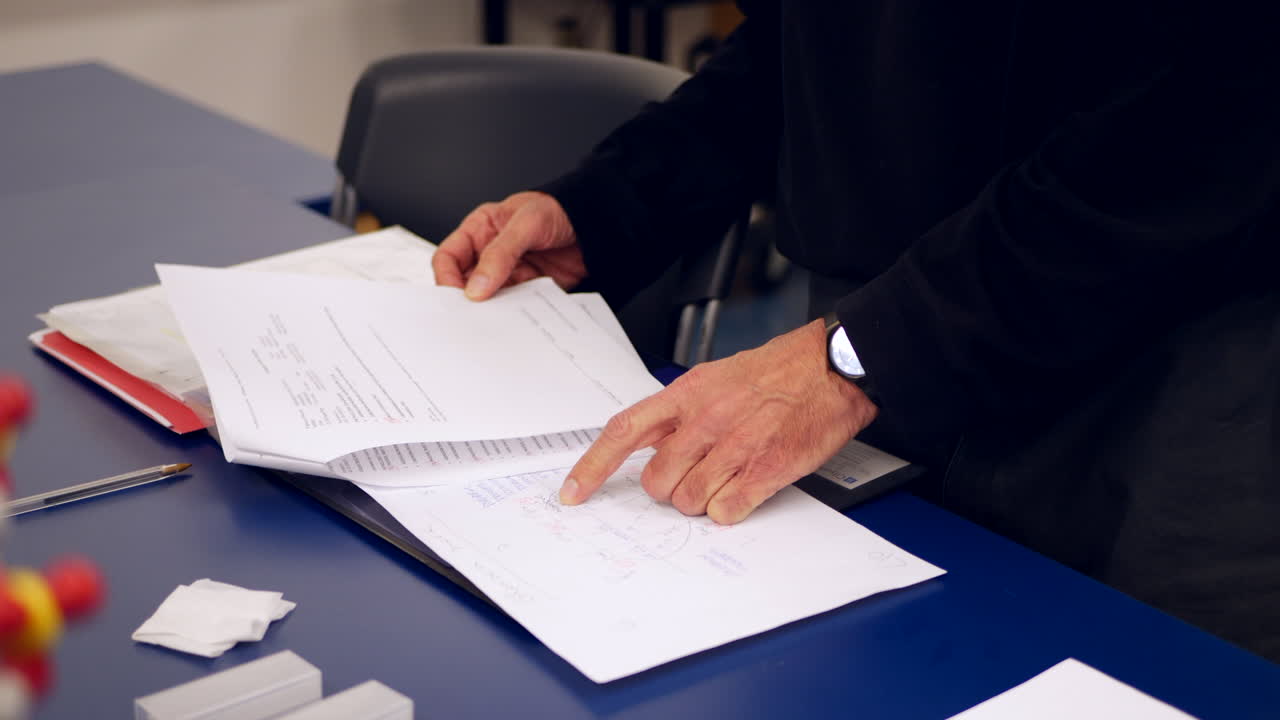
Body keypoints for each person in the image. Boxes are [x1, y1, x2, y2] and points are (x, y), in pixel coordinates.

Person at [433, 2, 1279, 661]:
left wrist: (864, 354)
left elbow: (1210, 110)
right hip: (874, 341)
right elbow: (797, 50)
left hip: (1159, 364)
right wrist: (610, 206)